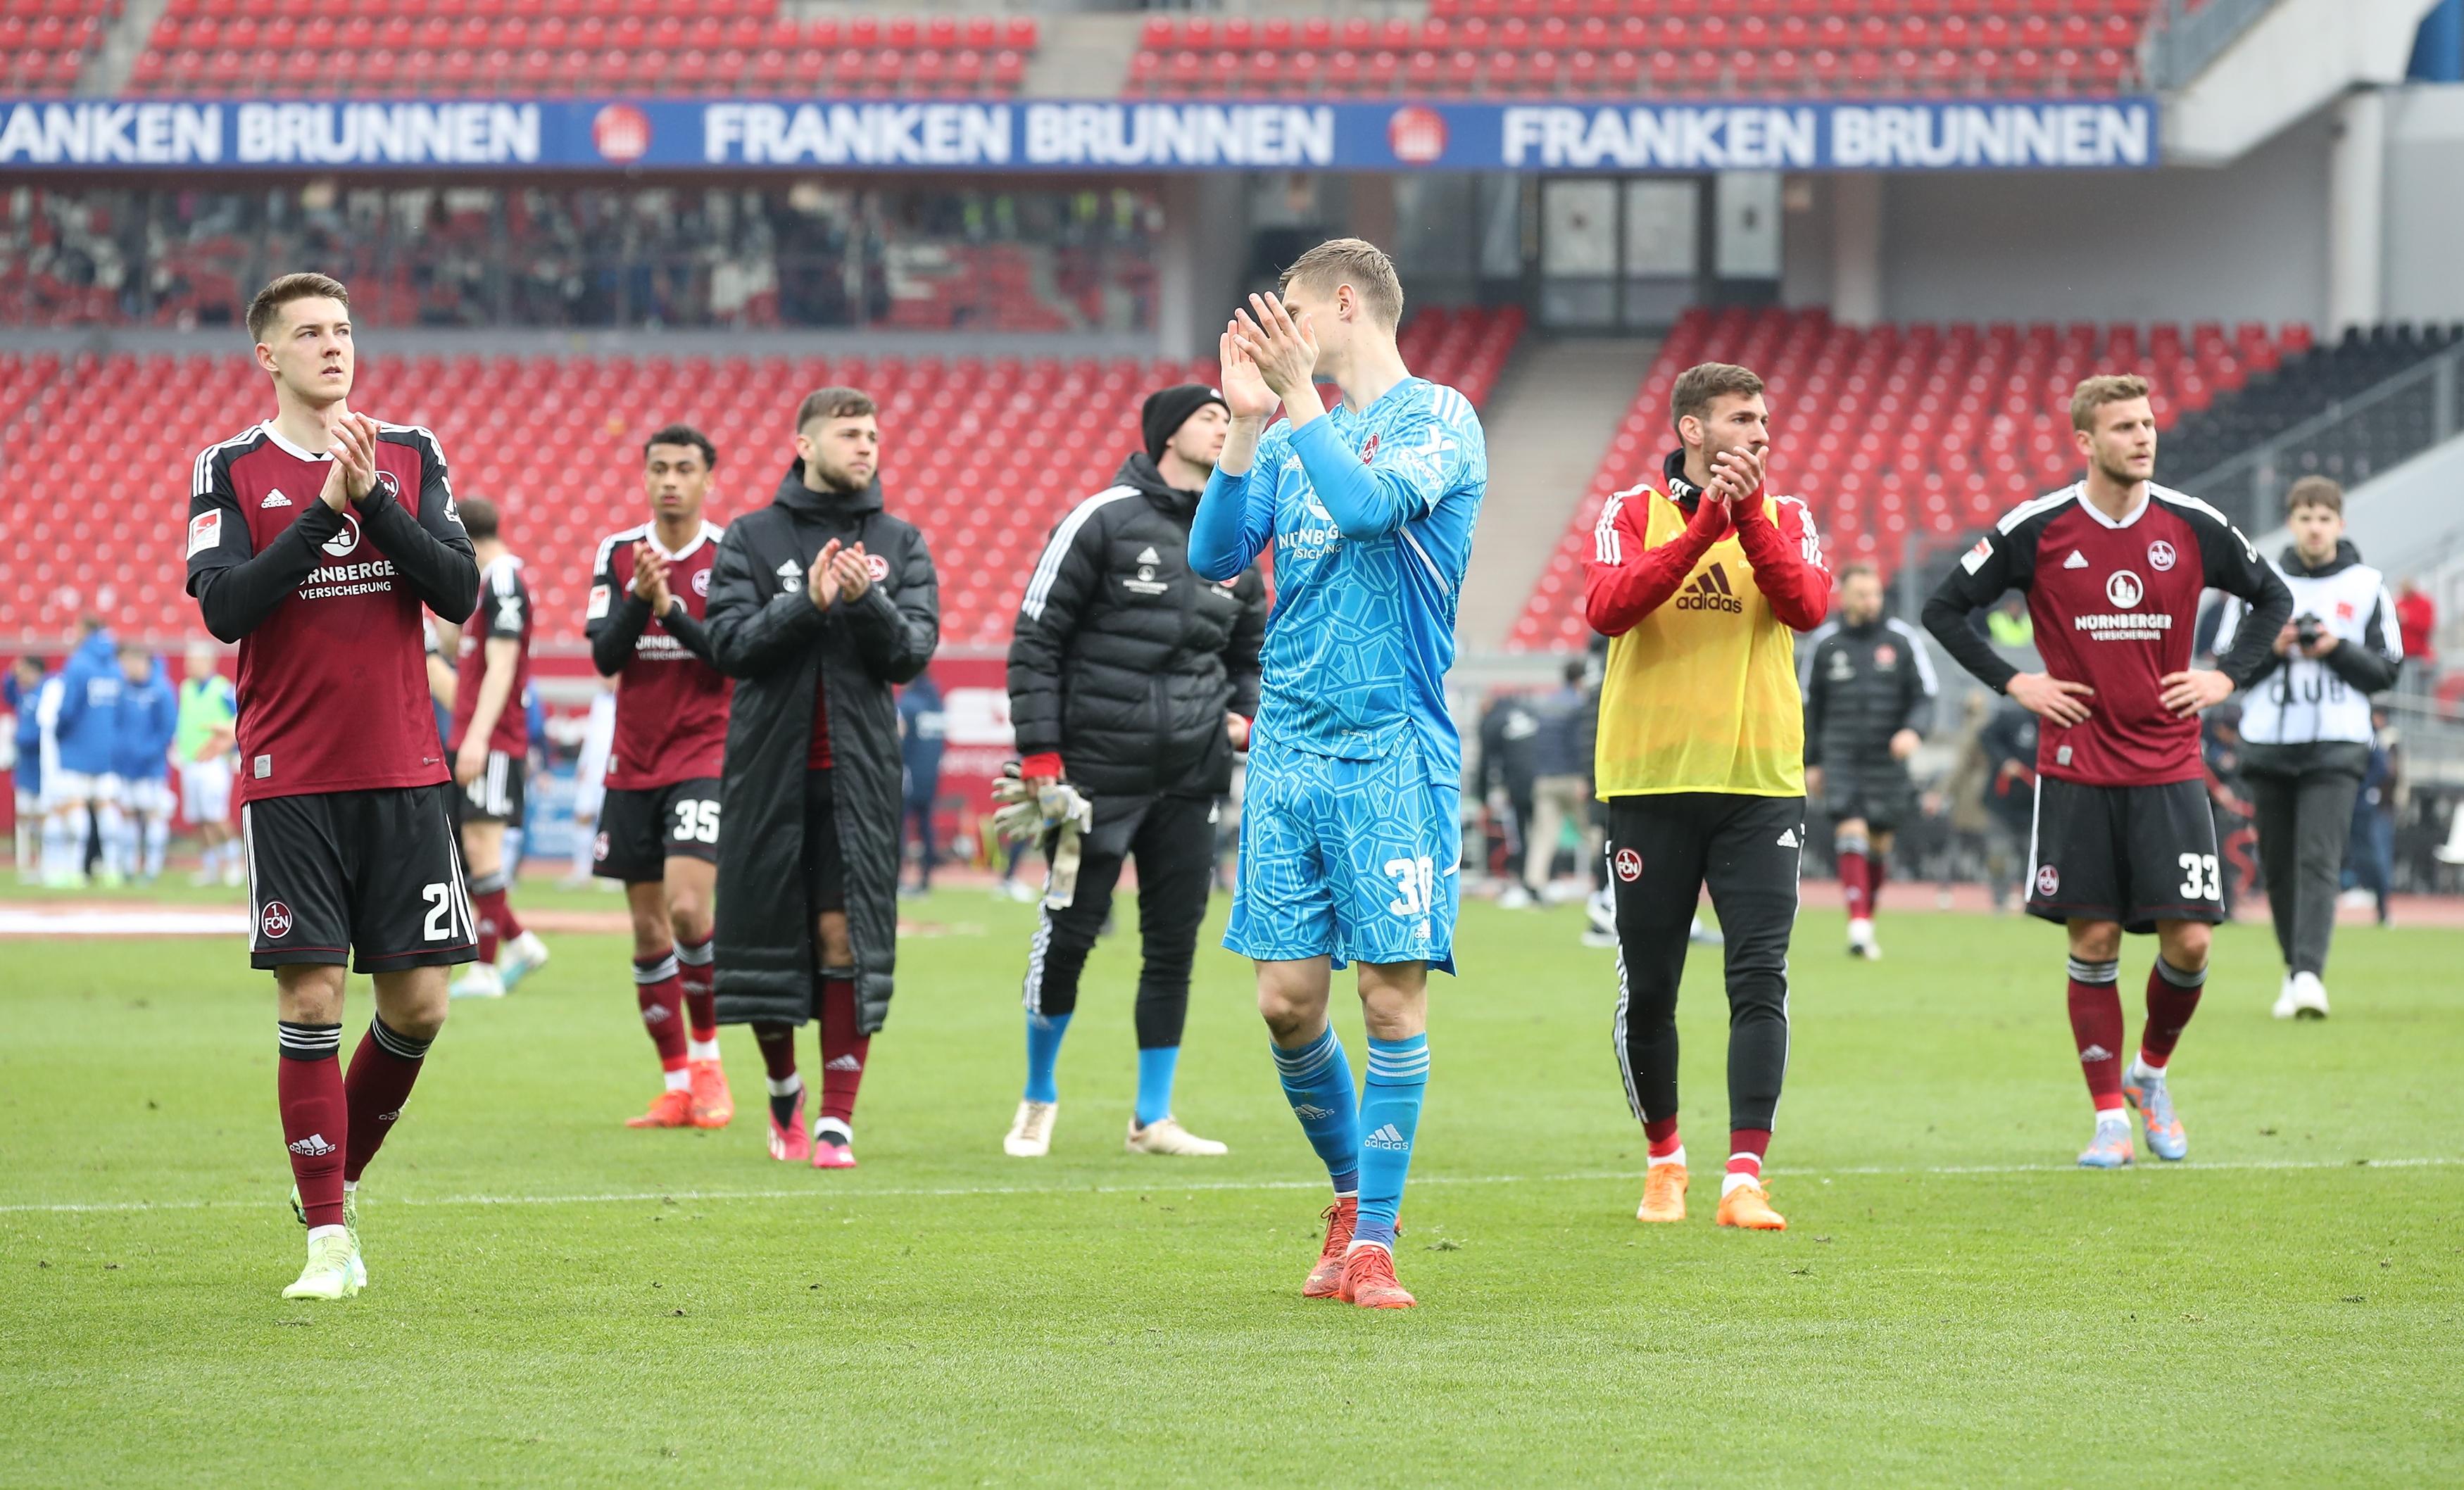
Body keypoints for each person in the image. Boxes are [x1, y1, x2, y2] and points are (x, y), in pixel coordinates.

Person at [1192, 239, 1487, 1310]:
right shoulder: (1281, 430)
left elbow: (1366, 509)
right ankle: (1352, 1195)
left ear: (1344, 306)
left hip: (1391, 746)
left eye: (1291, 319)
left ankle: (1375, 1241)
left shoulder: (1440, 419)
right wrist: (1243, 424)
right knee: (1285, 1002)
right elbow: (1215, 558)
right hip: (1288, 747)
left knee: (1388, 998)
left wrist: (1294, 403)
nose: (1278, 340)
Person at [184, 270, 480, 1299]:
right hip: (292, 774)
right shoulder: (229, 466)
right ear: (266, 354)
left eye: (343, 329)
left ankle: (335, 1178)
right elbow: (227, 608)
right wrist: (319, 514)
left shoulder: (411, 452)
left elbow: (458, 589)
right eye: (308, 332)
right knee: (312, 992)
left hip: (405, 769)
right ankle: (325, 1241)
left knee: (422, 1004)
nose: (332, 345)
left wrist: (375, 501)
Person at [1923, 373, 2291, 1169]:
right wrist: (2015, 681)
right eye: (2123, 426)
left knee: (2190, 941)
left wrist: (2225, 674)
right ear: (2084, 441)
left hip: (2167, 762)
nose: (2143, 437)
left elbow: (2271, 597)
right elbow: (1942, 608)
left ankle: (2148, 1076)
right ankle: (2105, 1120)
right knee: (2091, 937)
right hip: (2076, 765)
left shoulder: (2191, 524)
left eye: (2147, 423)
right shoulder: (2038, 527)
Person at [1583, 361, 1828, 1234]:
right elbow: (1608, 607)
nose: (1761, 433)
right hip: (1649, 778)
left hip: (1758, 783)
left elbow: (1804, 604)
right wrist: (1701, 531)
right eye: (1741, 419)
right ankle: (1663, 1163)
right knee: (1650, 987)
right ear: (1691, 429)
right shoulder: (1626, 513)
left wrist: (1747, 517)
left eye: (1764, 419)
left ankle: (1742, 1176)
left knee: (1757, 974)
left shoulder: (1789, 515)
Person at [1000, 381, 1266, 1161]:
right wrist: (1041, 755)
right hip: (1088, 779)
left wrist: (1243, 716)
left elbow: (1249, 656)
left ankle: (1152, 1115)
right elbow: (1035, 639)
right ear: (1164, 433)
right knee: (1068, 932)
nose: (1223, 427)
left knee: (1173, 944)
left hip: (1190, 776)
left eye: (1229, 417)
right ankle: (1037, 1097)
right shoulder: (1100, 518)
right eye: (1208, 416)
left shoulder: (1240, 538)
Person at [705, 386, 939, 1169]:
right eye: (848, 433)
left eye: (872, 433)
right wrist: (804, 603)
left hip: (859, 779)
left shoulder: (900, 543)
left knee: (847, 936)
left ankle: (836, 1119)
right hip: (765, 778)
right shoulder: (750, 536)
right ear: (804, 444)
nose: (865, 445)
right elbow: (728, 645)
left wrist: (863, 599)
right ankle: (782, 1093)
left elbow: (911, 651)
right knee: (766, 938)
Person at [584, 424, 736, 1128]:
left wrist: (667, 606)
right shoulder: (616, 554)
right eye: (659, 468)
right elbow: (606, 658)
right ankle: (675, 1082)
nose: (670, 479)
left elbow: (727, 658)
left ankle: (708, 1063)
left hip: (703, 755)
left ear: (708, 479)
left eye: (684, 468)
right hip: (632, 762)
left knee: (685, 909)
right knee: (647, 930)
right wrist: (639, 598)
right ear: (644, 477)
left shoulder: (730, 556)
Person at [2208, 478, 2401, 1018]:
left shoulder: (2367, 585)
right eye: (2305, 517)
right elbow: (2229, 665)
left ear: (2340, 524)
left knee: (2318, 856)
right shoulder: (2258, 582)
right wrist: (2276, 643)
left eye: (2324, 517)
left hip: (2338, 743)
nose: (2314, 527)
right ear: (2290, 522)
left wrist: (2337, 649)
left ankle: (2311, 974)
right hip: (2269, 742)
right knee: (2278, 865)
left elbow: (2387, 669)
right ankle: (2296, 969)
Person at [1800, 561, 1939, 958]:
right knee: (1851, 830)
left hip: (1887, 756)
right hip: (1840, 753)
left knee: (1879, 841)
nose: (1871, 601)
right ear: (1845, 596)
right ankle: (1858, 925)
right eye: (1862, 594)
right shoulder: (1825, 642)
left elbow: (1925, 694)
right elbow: (1809, 704)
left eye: (1875, 593)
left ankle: (1866, 921)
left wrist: (1913, 730)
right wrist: (1811, 760)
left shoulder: (1902, 639)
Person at [443, 498, 546, 1001]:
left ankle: (486, 967)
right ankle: (519, 942)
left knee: (482, 851)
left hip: (495, 738)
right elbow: (461, 666)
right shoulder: (486, 584)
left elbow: (502, 665)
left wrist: (478, 739)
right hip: (481, 735)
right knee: (470, 852)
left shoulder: (504, 580)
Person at [44, 615, 123, 886]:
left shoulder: (78, 664)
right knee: (105, 808)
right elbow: (120, 711)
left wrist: (59, 733)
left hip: (78, 747)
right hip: (107, 751)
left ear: (86, 632)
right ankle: (112, 870)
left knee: (75, 806)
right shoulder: (114, 666)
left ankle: (77, 871)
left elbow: (67, 709)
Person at [1523, 659, 1597, 907]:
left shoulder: (1547, 704)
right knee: (1592, 832)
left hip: (1545, 778)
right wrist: (1585, 778)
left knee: (1544, 835)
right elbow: (1580, 744)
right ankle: (1608, 883)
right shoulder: (1579, 705)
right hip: (1572, 778)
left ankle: (1534, 885)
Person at [172, 642, 241, 886]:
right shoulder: (186, 688)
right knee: (198, 818)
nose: (190, 665)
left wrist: (232, 750)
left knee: (217, 815)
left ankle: (234, 863)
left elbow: (240, 718)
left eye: (195, 660)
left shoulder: (222, 689)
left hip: (214, 761)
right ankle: (210, 866)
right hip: (191, 761)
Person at [110, 643, 177, 883]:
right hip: (125, 767)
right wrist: (120, 751)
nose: (127, 668)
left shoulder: (162, 690)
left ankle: (152, 868)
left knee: (153, 815)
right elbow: (115, 724)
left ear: (144, 662)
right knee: (127, 815)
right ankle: (128, 866)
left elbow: (167, 729)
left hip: (151, 767)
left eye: (131, 663)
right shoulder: (123, 689)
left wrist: (147, 753)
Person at [1475, 688, 1539, 905]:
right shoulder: (1529, 712)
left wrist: (1483, 799)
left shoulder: (1492, 721)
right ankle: (1543, 882)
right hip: (1544, 780)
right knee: (1541, 835)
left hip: (1518, 784)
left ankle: (1521, 883)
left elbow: (1485, 764)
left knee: (1518, 834)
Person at [2345, 708, 2398, 926]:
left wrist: (2361, 786)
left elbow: (2381, 768)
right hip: (2350, 802)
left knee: (2369, 853)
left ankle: (2381, 904)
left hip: (2362, 806)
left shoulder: (2368, 737)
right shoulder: (2358, 734)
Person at [562, 678, 616, 890]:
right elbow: (594, 736)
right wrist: (583, 764)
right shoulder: (599, 701)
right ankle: (581, 870)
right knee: (583, 816)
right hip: (593, 770)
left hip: (612, 768)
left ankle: (611, 874)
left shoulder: (625, 699)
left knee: (609, 822)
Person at [897, 671, 946, 896]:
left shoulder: (907, 704)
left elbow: (897, 738)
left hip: (908, 775)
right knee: (926, 827)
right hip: (931, 776)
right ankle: (926, 879)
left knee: (900, 827)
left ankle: (898, 879)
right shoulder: (937, 704)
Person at [7, 655, 50, 883]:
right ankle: (23, 861)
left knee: (43, 815)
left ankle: (43, 859)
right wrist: (13, 673)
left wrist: (24, 740)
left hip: (41, 765)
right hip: (25, 766)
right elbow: (7, 691)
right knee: (24, 815)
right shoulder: (23, 694)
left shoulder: (45, 693)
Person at [2392, 579, 2435, 700]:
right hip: (2403, 657)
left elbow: (2427, 626)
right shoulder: (2399, 603)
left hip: (2419, 657)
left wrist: (2408, 619)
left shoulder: (2424, 603)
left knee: (2419, 696)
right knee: (2404, 694)